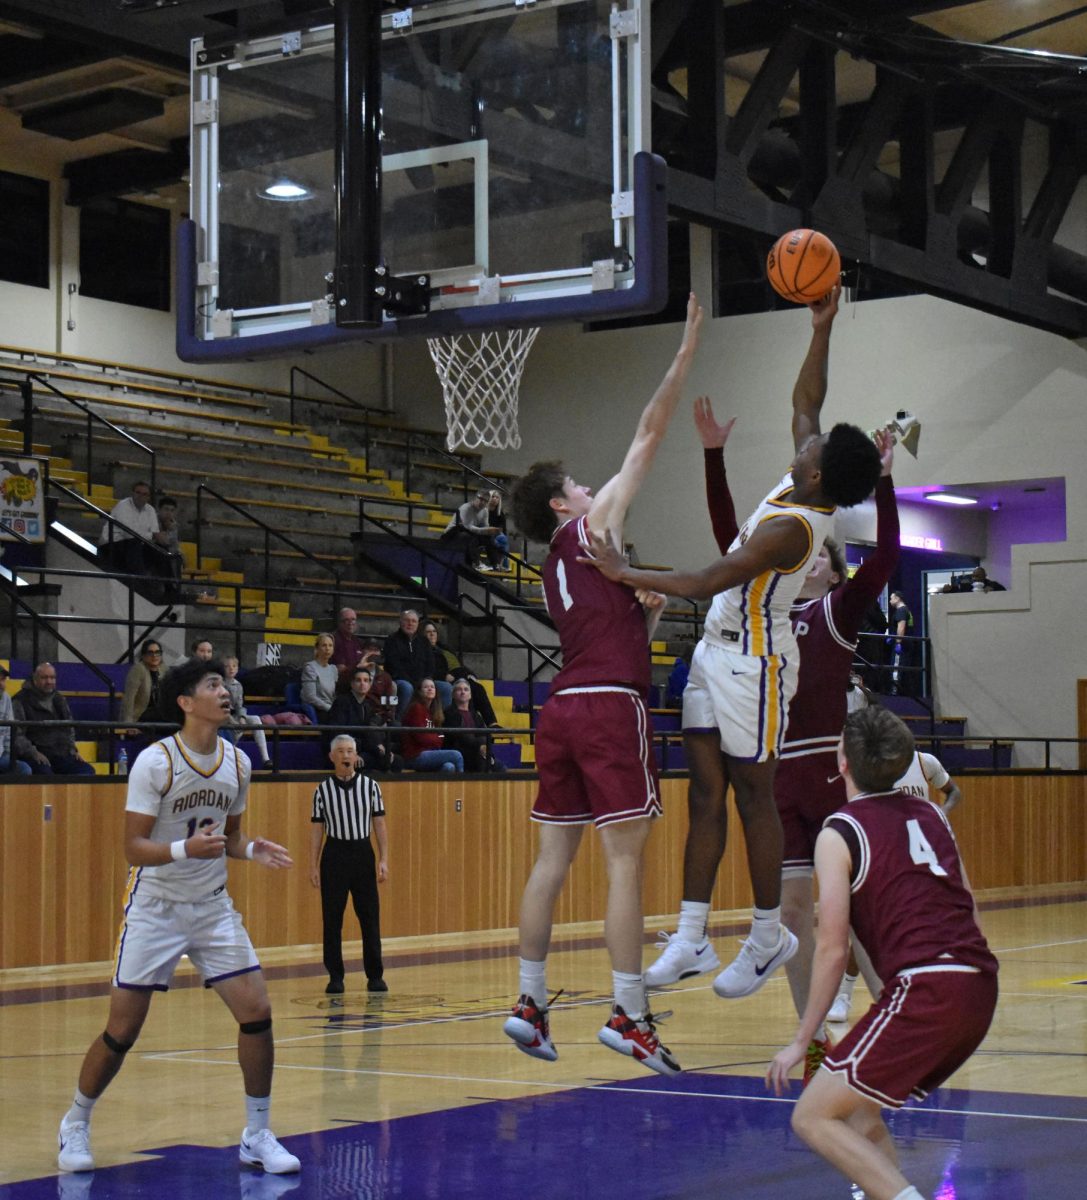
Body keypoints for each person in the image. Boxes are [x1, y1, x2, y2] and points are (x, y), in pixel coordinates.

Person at [588, 286, 882, 1003]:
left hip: (755, 663)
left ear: (815, 474)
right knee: (705, 795)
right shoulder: (803, 479)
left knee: (754, 797)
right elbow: (806, 400)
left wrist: (624, 570)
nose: (802, 438)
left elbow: (705, 575)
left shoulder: (794, 530)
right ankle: (691, 935)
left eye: (808, 448)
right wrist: (823, 325)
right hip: (715, 651)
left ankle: (763, 933)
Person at [501, 292, 705, 1078]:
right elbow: (648, 433)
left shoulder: (553, 567)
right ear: (562, 504)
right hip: (608, 708)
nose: (594, 488)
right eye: (580, 484)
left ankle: (527, 999)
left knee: (551, 861)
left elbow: (606, 646)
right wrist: (685, 350)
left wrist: (643, 618)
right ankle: (629, 1013)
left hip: (565, 704)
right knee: (624, 865)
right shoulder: (591, 531)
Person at [56, 657, 299, 1176]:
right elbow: (133, 848)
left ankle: (256, 1133)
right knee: (122, 1030)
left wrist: (253, 851)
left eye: (225, 683)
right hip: (156, 908)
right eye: (213, 684)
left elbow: (228, 839)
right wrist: (187, 849)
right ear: (187, 703)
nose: (225, 690)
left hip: (211, 906)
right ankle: (76, 1120)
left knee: (256, 1011)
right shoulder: (155, 762)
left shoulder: (238, 763)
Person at [767, 707, 998, 1200]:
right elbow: (969, 905)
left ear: (842, 761)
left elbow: (831, 949)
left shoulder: (840, 830)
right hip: (978, 983)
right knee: (856, 1110)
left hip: (927, 989)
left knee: (811, 1116)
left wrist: (801, 1041)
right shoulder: (934, 813)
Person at [828, 744, 962, 1026]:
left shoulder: (926, 763)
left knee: (919, 927)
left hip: (919, 853)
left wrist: (942, 813)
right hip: (886, 848)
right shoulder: (880, 770)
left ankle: (921, 991)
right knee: (867, 928)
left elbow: (954, 792)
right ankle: (845, 993)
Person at [309, 734, 389, 996]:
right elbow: (317, 830)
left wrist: (383, 859)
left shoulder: (371, 787)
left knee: (369, 917)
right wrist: (313, 865)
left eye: (350, 751)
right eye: (341, 751)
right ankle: (335, 976)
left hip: (362, 853)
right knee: (332, 919)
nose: (346, 756)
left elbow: (379, 824)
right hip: (334, 855)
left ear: (356, 756)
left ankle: (375, 975)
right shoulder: (322, 790)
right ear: (332, 756)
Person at [13, 662, 96, 776]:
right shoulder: (20, 700)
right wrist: (33, 753)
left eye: (52, 678)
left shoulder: (60, 699)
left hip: (62, 754)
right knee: (46, 776)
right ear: (35, 679)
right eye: (44, 677)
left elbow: (69, 728)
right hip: (36, 756)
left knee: (87, 771)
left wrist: (72, 750)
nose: (49, 681)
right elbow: (17, 734)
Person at [326, 666, 403, 773]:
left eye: (366, 680)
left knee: (395, 760)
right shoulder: (342, 702)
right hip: (345, 751)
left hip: (362, 749)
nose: (362, 683)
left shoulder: (368, 705)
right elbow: (337, 733)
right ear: (352, 684)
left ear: (370, 684)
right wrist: (352, 753)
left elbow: (368, 734)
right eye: (358, 680)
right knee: (360, 763)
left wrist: (380, 748)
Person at [382, 609, 451, 716]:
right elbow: (393, 667)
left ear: (418, 624)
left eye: (414, 621)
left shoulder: (424, 641)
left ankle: (441, 723)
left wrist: (424, 682)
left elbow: (430, 665)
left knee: (446, 687)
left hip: (421, 682)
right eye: (407, 620)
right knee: (407, 687)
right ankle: (401, 723)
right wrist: (415, 684)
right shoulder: (392, 640)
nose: (410, 623)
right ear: (400, 622)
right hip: (400, 681)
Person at [98, 480, 160, 580]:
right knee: (134, 544)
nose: (140, 496)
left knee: (161, 550)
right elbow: (129, 533)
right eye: (138, 492)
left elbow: (154, 534)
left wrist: (152, 536)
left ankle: (170, 587)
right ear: (132, 493)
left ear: (148, 497)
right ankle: (141, 581)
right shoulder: (123, 505)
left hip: (134, 545)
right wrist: (149, 535)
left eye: (144, 494)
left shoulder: (150, 510)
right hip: (112, 544)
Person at [400, 679, 464, 773]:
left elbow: (440, 737)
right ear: (419, 692)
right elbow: (422, 737)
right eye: (426, 687)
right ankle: (461, 786)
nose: (430, 689)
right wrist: (436, 738)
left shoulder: (434, 712)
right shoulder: (416, 708)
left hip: (431, 754)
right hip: (415, 755)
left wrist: (435, 738)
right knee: (456, 755)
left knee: (449, 767)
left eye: (432, 687)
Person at [223, 655, 273, 769]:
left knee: (255, 719)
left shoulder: (238, 685)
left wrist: (242, 717)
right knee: (235, 727)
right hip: (222, 716)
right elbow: (222, 705)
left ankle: (265, 758)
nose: (231, 669)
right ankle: (227, 756)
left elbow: (239, 704)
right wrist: (232, 720)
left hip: (235, 714)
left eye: (234, 666)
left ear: (237, 669)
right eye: (227, 666)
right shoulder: (220, 683)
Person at [443, 678, 501, 772]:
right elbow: (459, 736)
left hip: (479, 752)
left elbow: (485, 734)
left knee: (501, 767)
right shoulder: (449, 713)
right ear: (453, 694)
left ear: (470, 695)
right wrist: (480, 745)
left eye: (466, 689)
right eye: (459, 689)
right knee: (483, 761)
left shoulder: (476, 715)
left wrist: (483, 747)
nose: (463, 692)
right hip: (460, 753)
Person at [441, 488, 504, 569]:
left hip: (469, 532)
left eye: (485, 501)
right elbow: (468, 526)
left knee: (489, 538)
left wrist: (491, 531)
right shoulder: (466, 508)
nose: (482, 502)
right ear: (475, 498)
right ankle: (477, 563)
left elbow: (485, 527)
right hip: (452, 534)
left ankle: (496, 564)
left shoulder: (484, 511)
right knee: (470, 537)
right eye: (481, 499)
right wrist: (487, 530)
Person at [0, 664, 32, 776]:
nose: (1, 684)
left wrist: (11, 757)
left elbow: (10, 733)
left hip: (1, 755)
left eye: (3, 679)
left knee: (24, 769)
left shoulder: (6, 698)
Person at [301, 634, 337, 721]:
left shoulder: (333, 669)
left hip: (331, 708)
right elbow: (310, 697)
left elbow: (333, 695)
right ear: (317, 648)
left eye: (330, 645)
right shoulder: (310, 667)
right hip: (317, 710)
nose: (327, 648)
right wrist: (330, 708)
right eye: (324, 645)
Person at [888, 590, 914, 695]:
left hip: (902, 645)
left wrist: (898, 642)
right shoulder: (906, 610)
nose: (890, 601)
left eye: (891, 598)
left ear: (897, 598)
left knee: (896, 667)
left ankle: (895, 690)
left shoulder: (901, 611)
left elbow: (901, 626)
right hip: (907, 644)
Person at [330, 607, 365, 688]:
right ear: (340, 623)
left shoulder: (357, 641)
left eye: (353, 619)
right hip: (343, 681)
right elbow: (340, 669)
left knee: (389, 684)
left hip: (359, 678)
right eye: (346, 620)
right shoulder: (334, 639)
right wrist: (360, 666)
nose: (350, 623)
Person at [487, 490, 510, 569]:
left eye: (497, 497)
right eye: (493, 496)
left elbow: (502, 529)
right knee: (501, 542)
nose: (494, 499)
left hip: (495, 534)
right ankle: (504, 566)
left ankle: (502, 566)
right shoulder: (484, 510)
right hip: (485, 533)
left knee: (503, 539)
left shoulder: (500, 513)